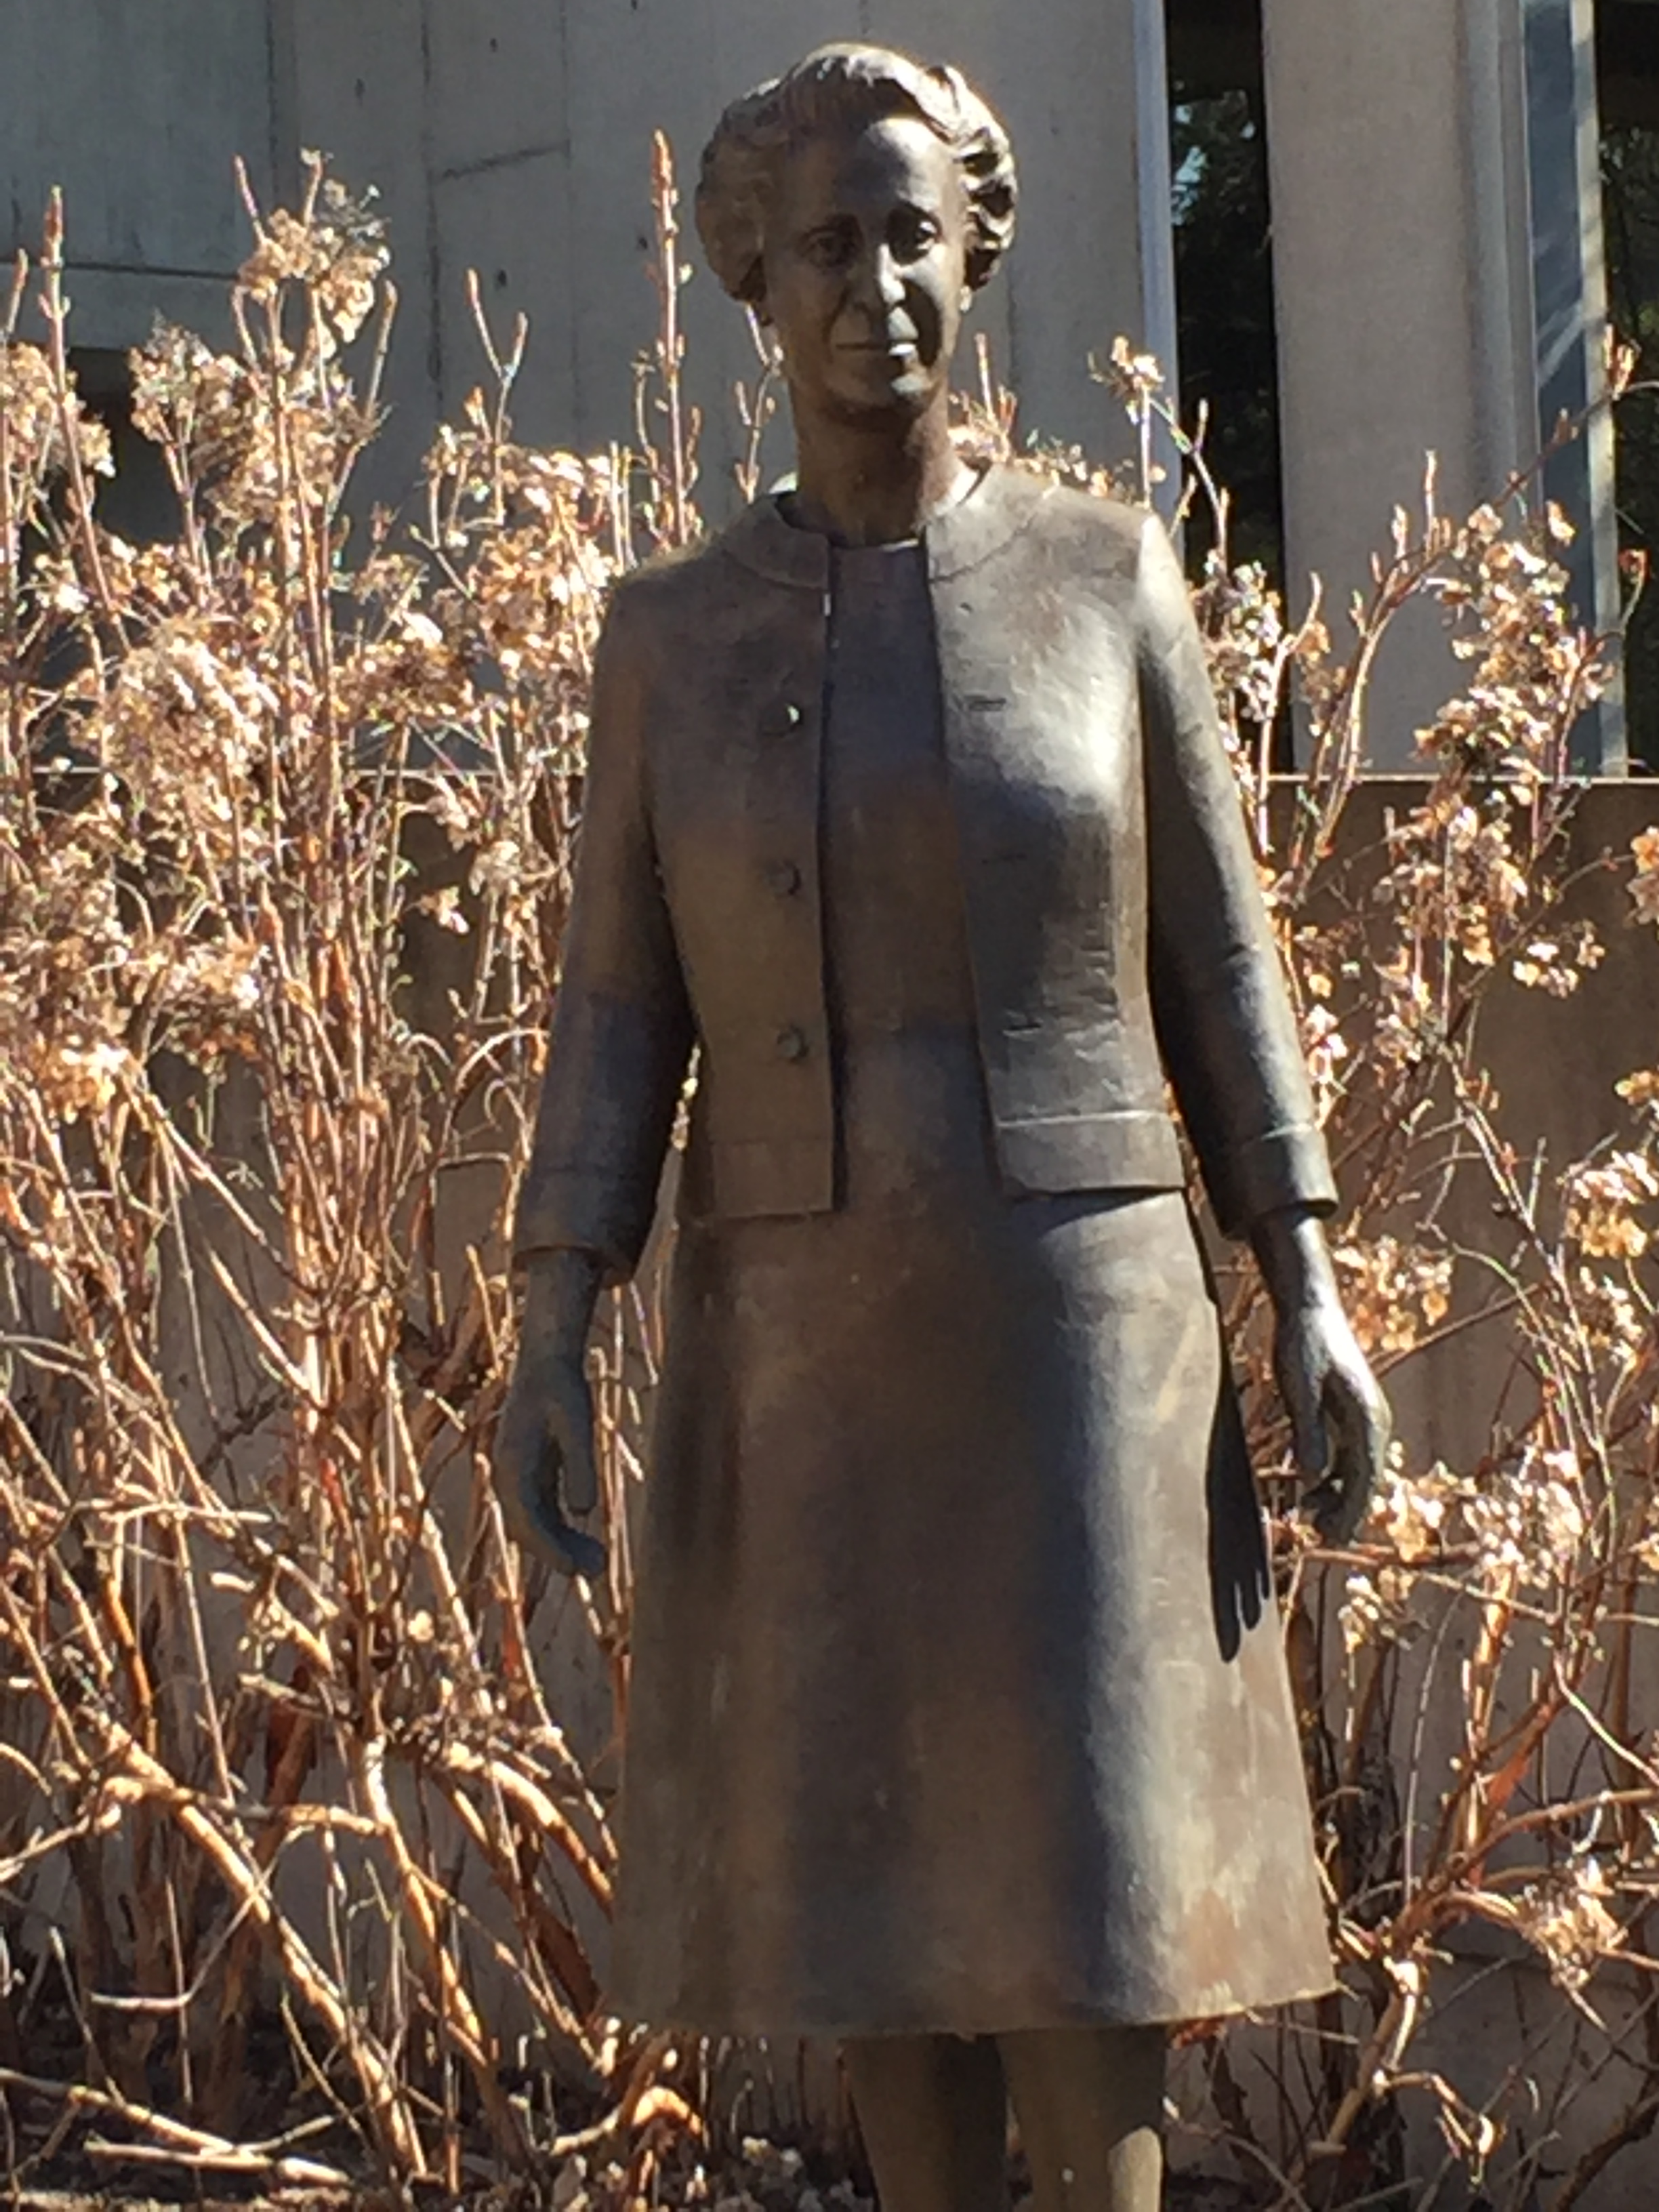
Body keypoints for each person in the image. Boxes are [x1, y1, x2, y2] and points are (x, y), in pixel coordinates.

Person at [495, 43, 1391, 2212]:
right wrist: (552, 1313)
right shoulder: (668, 643)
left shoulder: (1107, 579)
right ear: (753, 280)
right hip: (804, 1349)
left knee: (1091, 1930)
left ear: (973, 253)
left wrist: (1307, 1281)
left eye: (913, 235)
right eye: (828, 243)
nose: (875, 286)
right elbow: (616, 1007)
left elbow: (1221, 962)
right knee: (878, 1938)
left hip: (1080, 1341)